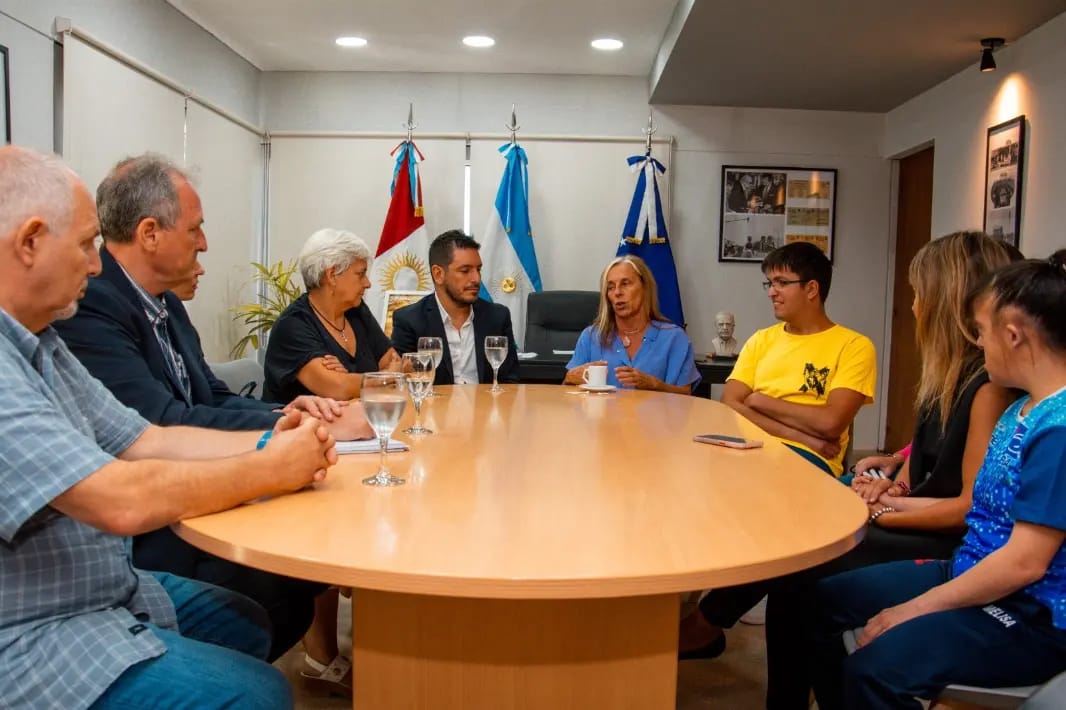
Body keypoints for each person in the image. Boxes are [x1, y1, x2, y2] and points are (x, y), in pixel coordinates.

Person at [0, 145, 340, 709]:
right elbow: (117, 500)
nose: (94, 264)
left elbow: (147, 438)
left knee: (248, 621)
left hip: (105, 586)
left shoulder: (44, 342)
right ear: (31, 241)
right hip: (36, 629)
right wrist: (271, 467)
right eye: (85, 244)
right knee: (260, 693)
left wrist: (271, 438)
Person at [681, 232, 1020, 707]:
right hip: (912, 513)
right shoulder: (944, 379)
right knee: (797, 552)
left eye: (919, 294)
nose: (913, 306)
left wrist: (878, 512)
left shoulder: (985, 388)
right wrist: (891, 483)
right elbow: (922, 466)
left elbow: (966, 506)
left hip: (943, 541)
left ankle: (721, 635)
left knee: (799, 562)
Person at [811, 250, 1066, 709]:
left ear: (1013, 335)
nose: (978, 343)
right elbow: (982, 510)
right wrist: (883, 504)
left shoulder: (1058, 431)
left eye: (982, 331)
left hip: (1032, 615)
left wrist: (911, 609)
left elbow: (1024, 564)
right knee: (819, 602)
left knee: (873, 670)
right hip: (973, 571)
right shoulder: (1021, 409)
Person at [722, 241, 875, 478]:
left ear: (812, 289)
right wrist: (803, 436)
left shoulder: (854, 346)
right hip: (751, 445)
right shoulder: (760, 340)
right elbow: (729, 405)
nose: (772, 292)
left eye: (782, 283)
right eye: (770, 283)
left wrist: (760, 401)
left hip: (808, 459)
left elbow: (830, 423)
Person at [263, 228, 401, 402]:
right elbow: (337, 388)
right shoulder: (292, 325)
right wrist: (386, 377)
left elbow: (393, 361)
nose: (368, 283)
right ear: (332, 275)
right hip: (297, 419)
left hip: (357, 415)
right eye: (360, 274)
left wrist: (351, 379)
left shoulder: (356, 310)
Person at [391, 229, 519, 385]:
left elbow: (510, 381)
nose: (476, 279)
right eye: (465, 271)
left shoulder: (497, 317)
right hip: (435, 401)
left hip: (484, 400)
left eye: (478, 270)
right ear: (438, 274)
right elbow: (401, 382)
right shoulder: (409, 320)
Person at [563, 255, 699, 394]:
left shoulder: (674, 338)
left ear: (645, 287)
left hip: (656, 409)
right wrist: (570, 378)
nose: (617, 292)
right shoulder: (591, 337)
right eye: (611, 287)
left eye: (625, 284)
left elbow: (685, 396)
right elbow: (567, 394)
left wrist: (654, 385)